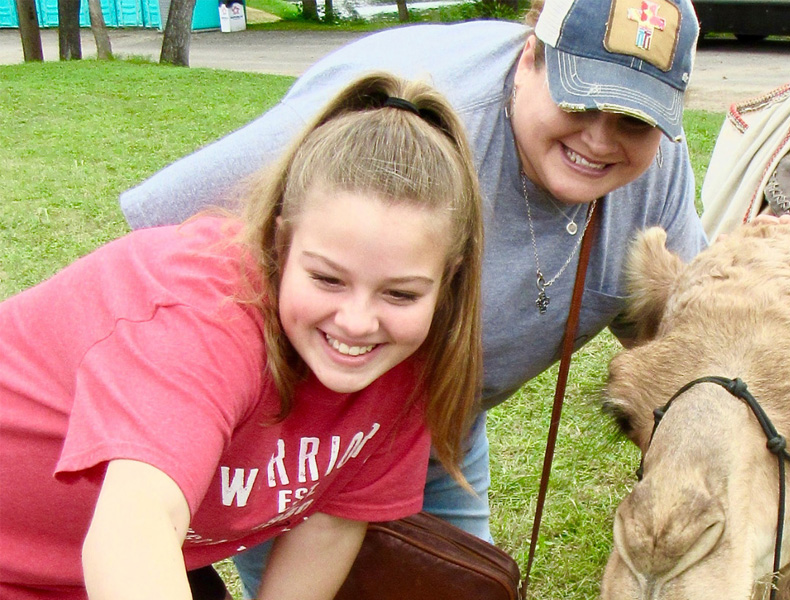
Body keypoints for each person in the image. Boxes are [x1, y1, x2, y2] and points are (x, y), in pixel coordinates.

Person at [119, 0, 708, 594]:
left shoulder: (655, 172)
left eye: (632, 119)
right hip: (295, 427)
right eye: (580, 102)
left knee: (454, 588)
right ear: (530, 57)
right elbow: (166, 234)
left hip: (437, 416)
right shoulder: (412, 114)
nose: (601, 139)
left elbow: (694, 339)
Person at [0, 73, 485, 600]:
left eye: (400, 294)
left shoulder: (406, 356)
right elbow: (133, 530)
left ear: (448, 278)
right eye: (327, 279)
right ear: (281, 241)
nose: (357, 322)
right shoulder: (203, 316)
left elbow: (330, 524)